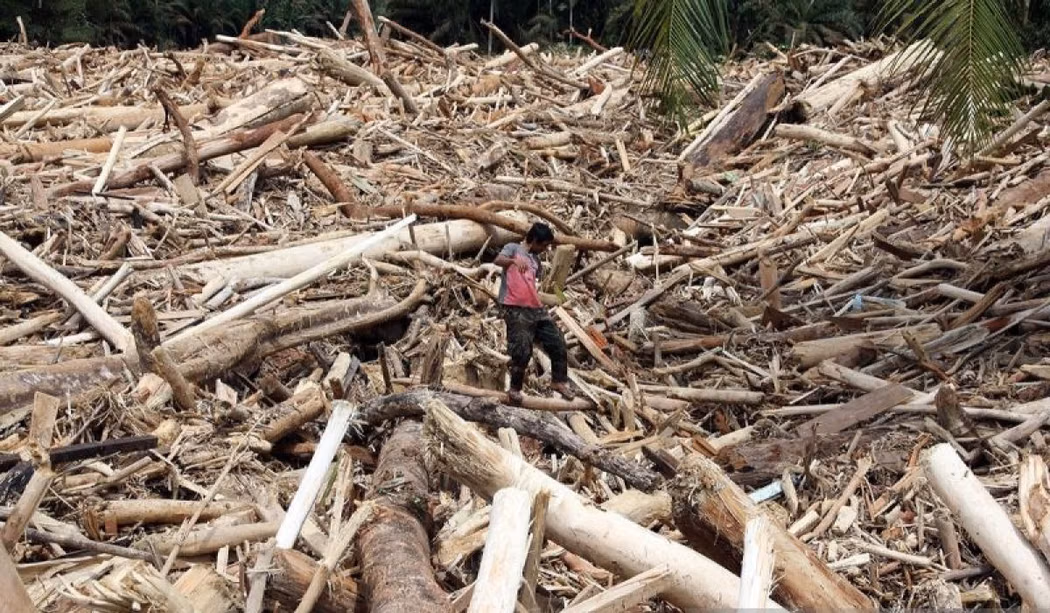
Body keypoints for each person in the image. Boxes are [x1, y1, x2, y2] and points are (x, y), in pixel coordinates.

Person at [493, 222, 573, 404]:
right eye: (543, 245)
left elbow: (531, 284)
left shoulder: (536, 261)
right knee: (521, 349)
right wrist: (513, 261)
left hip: (535, 308)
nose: (545, 249)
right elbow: (497, 260)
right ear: (535, 240)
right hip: (514, 307)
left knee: (557, 340)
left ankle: (559, 381)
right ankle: (514, 389)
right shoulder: (513, 248)